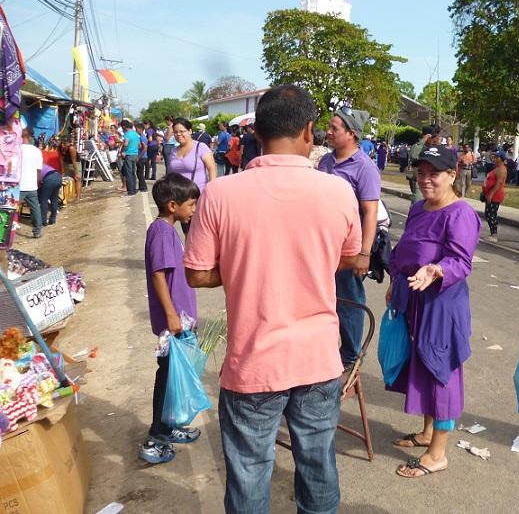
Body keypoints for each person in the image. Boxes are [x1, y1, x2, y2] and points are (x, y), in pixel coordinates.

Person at [185, 84, 361, 514]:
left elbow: (197, 273)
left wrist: (247, 266)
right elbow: (349, 257)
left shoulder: (220, 194)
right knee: (318, 466)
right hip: (318, 359)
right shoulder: (338, 191)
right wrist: (300, 262)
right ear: (309, 131)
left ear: (257, 133)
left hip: (254, 363)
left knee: (249, 471)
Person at [387, 144, 481, 478]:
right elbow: (405, 248)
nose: (426, 179)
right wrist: (395, 281)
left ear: (452, 175)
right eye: (422, 173)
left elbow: (461, 261)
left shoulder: (460, 213)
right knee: (422, 364)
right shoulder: (419, 208)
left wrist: (436, 270)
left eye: (435, 174)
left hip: (441, 304)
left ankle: (438, 453)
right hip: (415, 299)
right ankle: (427, 433)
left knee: (440, 370)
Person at [139, 173, 201, 465]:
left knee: (174, 378)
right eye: (191, 204)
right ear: (173, 205)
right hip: (173, 323)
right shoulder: (162, 232)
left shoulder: (167, 229)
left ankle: (170, 426)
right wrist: (171, 315)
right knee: (167, 378)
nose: (194, 210)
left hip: (179, 320)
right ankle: (157, 438)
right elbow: (158, 275)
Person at [319, 107, 381, 368]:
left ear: (352, 133)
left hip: (349, 249)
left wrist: (364, 254)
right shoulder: (326, 161)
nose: (328, 132)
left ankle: (351, 356)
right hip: (322, 245)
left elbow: (370, 212)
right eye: (329, 127)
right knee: (323, 299)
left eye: (334, 128)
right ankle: (325, 352)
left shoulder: (365, 168)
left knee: (349, 302)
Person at [168, 118, 217, 235]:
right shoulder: (174, 151)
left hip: (198, 197)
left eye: (182, 131)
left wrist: (211, 191)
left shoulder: (201, 147)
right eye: (176, 132)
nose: (179, 134)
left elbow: (211, 168)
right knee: (187, 231)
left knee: (200, 231)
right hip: (180, 197)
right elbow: (170, 174)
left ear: (190, 131)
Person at [20, 129, 43, 238]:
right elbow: (38, 170)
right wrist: (37, 184)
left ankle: (7, 233)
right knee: (35, 209)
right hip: (31, 185)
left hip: (18, 186)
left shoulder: (17, 149)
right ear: (30, 137)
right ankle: (37, 231)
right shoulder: (37, 151)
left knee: (11, 209)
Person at [408, 126, 437, 204]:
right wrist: (423, 140)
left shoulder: (434, 148)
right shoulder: (418, 146)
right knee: (418, 204)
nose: (434, 140)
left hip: (433, 182)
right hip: (420, 181)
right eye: (432, 137)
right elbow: (413, 156)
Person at [482, 151, 507, 242]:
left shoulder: (501, 169)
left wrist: (491, 194)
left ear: (501, 159)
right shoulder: (497, 168)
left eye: (497, 157)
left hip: (495, 195)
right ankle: (492, 233)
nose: (495, 158)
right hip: (490, 193)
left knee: (491, 214)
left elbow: (499, 183)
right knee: (488, 214)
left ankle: (494, 235)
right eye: (494, 156)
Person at [37, 161, 62, 227]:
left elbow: (38, 181)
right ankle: (52, 219)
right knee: (54, 199)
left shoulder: (35, 168)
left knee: (43, 200)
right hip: (58, 176)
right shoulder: (42, 165)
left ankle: (43, 221)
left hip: (49, 179)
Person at [121, 120, 141, 196]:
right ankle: (134, 189)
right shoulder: (135, 134)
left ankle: (131, 191)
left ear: (124, 126)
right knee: (133, 172)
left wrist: (122, 151)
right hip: (135, 154)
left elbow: (125, 144)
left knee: (128, 173)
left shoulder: (127, 134)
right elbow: (139, 145)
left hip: (129, 155)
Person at [59, 136, 82, 200]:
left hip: (75, 163)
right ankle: (67, 196)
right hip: (66, 163)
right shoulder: (60, 147)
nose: (62, 145)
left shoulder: (71, 148)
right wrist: (62, 170)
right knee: (67, 179)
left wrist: (76, 172)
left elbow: (74, 161)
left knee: (77, 179)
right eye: (62, 143)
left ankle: (78, 196)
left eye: (64, 143)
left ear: (68, 143)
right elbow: (61, 159)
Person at [135, 123, 149, 192]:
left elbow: (144, 148)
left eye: (137, 129)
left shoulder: (142, 137)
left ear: (140, 129)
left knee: (140, 173)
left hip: (142, 157)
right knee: (139, 173)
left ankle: (144, 187)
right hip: (143, 157)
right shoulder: (141, 137)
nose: (136, 130)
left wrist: (139, 157)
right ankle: (141, 187)